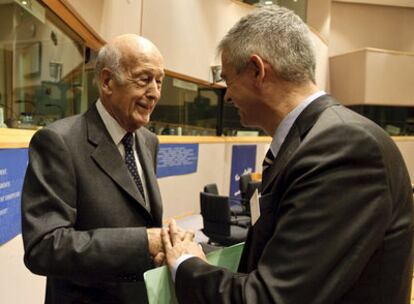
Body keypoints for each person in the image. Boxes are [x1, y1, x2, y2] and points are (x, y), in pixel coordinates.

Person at [162, 6, 414, 304]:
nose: (227, 96)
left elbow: (271, 297)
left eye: (228, 79)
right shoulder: (314, 140)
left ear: (257, 70)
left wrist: (187, 264)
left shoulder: (344, 146)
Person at [22, 34, 166, 304]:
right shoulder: (58, 142)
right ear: (107, 81)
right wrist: (144, 244)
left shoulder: (149, 142)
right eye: (145, 79)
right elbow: (43, 247)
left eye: (160, 81)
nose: (155, 92)